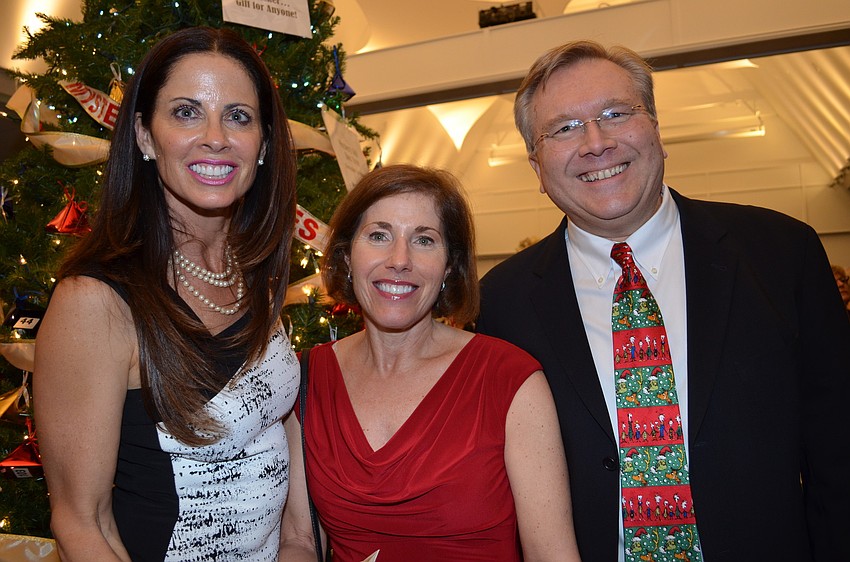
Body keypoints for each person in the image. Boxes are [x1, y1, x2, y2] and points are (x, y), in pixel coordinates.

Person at [477, 40, 850, 562]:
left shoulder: (780, 254)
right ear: (536, 166)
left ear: (656, 127)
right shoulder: (500, 301)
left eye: (615, 113)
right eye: (563, 128)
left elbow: (839, 450)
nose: (595, 142)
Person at [34, 27, 299, 562]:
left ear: (264, 145)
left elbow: (280, 424)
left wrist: (299, 546)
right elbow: (81, 523)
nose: (215, 136)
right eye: (185, 112)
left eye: (239, 116)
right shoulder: (94, 300)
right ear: (144, 136)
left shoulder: (253, 274)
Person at [279, 164, 582, 562]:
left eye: (424, 240)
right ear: (347, 255)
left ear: (450, 266)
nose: (399, 259)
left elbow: (551, 555)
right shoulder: (304, 377)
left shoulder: (509, 379)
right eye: (379, 235)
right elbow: (300, 540)